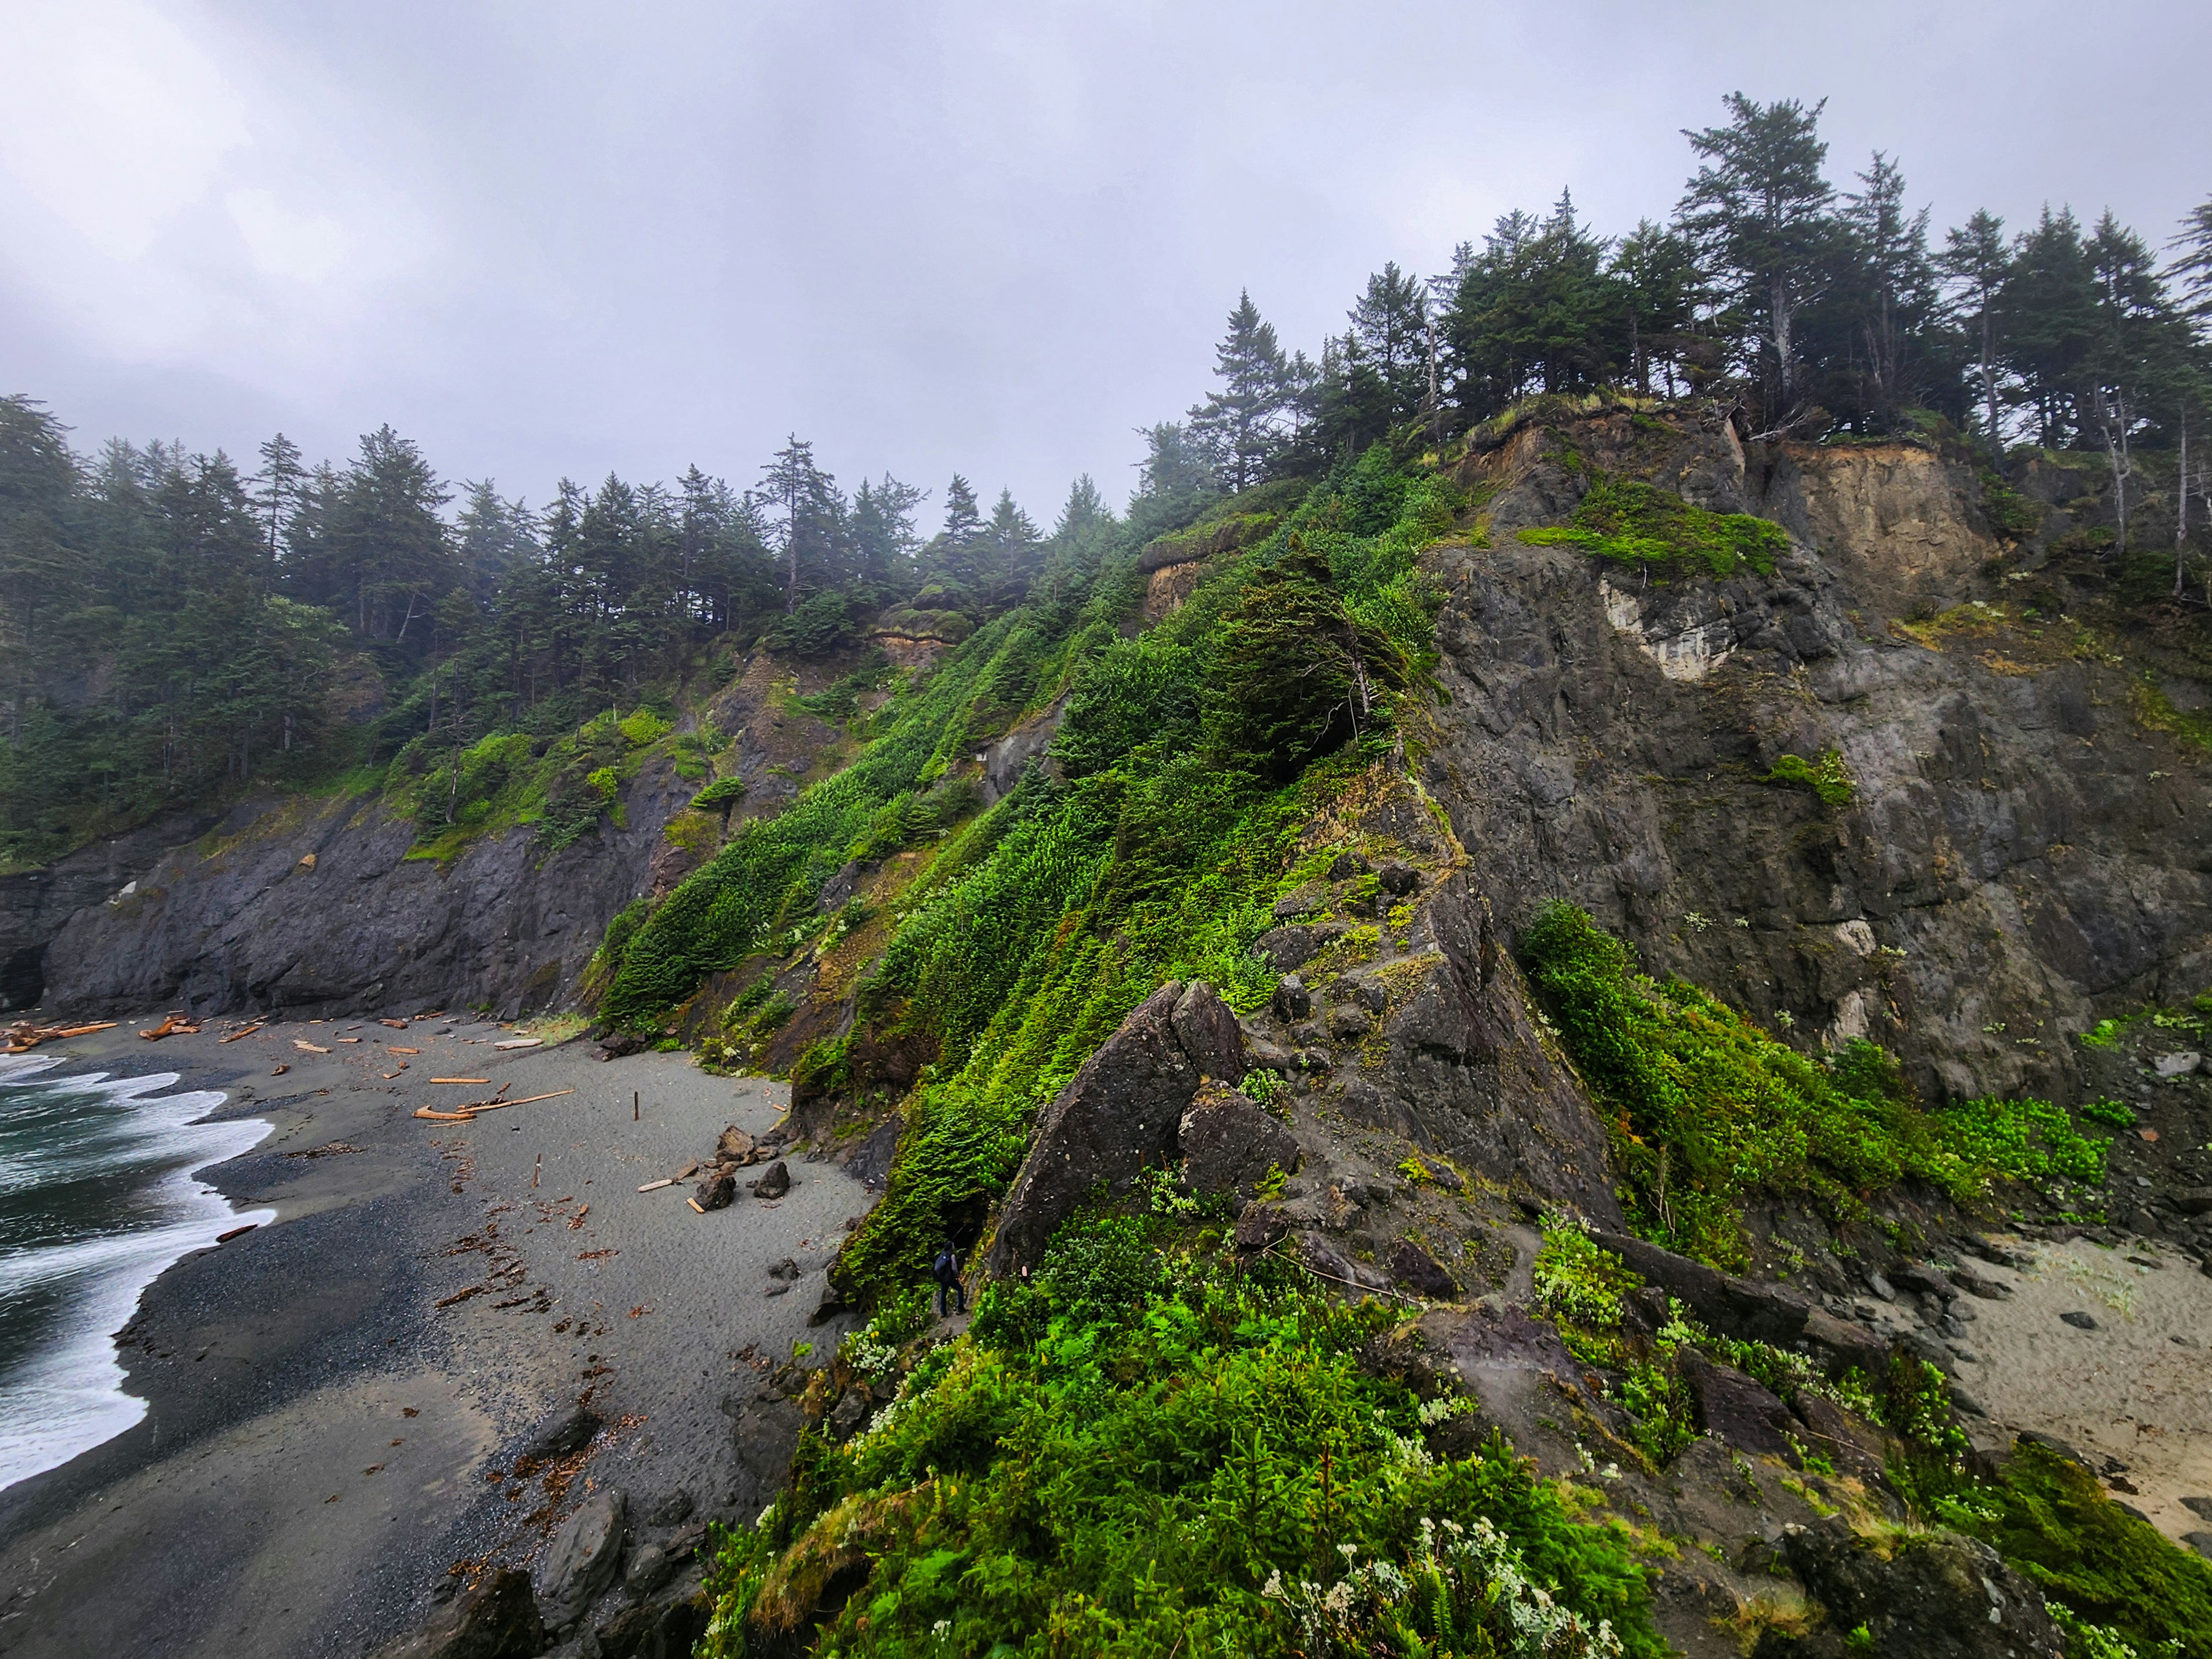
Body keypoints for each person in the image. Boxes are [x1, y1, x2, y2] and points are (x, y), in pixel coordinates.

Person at [932, 1241, 965, 1317]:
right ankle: (960, 1308)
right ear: (951, 1247)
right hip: (949, 1277)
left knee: (943, 1293)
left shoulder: (942, 1254)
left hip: (942, 1278)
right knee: (960, 1289)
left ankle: (943, 1312)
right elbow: (954, 1267)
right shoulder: (951, 1255)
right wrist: (957, 1275)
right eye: (953, 1246)